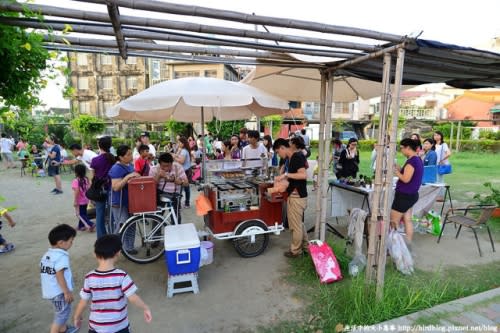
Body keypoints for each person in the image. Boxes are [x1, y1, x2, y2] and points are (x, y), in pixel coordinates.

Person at [73, 234, 152, 332]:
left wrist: (77, 317)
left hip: (96, 326)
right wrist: (145, 307)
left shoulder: (89, 277)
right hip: (119, 326)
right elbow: (133, 298)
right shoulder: (122, 276)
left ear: (95, 253)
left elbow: (83, 302)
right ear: (118, 253)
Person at [40, 224, 78, 333]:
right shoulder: (61, 257)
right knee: (62, 314)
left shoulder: (47, 255)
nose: (72, 243)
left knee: (60, 311)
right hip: (59, 292)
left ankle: (63, 329)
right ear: (61, 242)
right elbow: (59, 274)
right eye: (71, 241)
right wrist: (66, 292)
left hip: (50, 290)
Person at [273, 138, 308, 258]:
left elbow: (303, 175)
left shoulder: (297, 157)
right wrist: (284, 179)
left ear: (283, 148)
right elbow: (294, 177)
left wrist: (286, 175)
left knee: (295, 226)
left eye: (278, 152)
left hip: (297, 197)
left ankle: (296, 251)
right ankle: (305, 247)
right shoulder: (291, 158)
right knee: (299, 224)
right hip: (295, 196)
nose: (279, 155)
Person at [391, 138, 424, 248]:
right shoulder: (417, 159)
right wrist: (400, 169)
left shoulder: (412, 161)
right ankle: (407, 243)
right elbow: (409, 175)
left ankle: (393, 246)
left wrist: (396, 172)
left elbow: (405, 179)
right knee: (407, 220)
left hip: (404, 196)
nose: (401, 151)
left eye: (402, 148)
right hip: (411, 195)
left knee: (393, 222)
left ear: (408, 148)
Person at [109, 145, 140, 238]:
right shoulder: (116, 168)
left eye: (131, 153)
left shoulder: (130, 165)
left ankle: (129, 248)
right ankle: (113, 248)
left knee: (131, 224)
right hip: (119, 202)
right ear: (121, 157)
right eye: (128, 154)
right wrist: (127, 177)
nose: (131, 156)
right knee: (122, 225)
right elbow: (115, 187)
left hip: (130, 201)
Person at [149, 153, 188, 224]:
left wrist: (177, 181)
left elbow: (186, 183)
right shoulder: (154, 169)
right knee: (158, 216)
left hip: (175, 193)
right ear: (159, 163)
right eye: (163, 166)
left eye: (168, 166)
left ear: (172, 163)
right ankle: (156, 233)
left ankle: (176, 232)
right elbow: (151, 186)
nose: (165, 168)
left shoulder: (178, 167)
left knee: (176, 216)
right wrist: (158, 176)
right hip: (160, 192)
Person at [89, 136, 115, 239]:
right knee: (112, 213)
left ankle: (101, 237)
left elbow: (92, 177)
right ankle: (112, 235)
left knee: (99, 214)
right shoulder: (113, 158)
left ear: (99, 146)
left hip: (99, 189)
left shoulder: (95, 160)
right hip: (112, 188)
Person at [72, 164, 95, 232]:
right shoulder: (86, 179)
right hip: (86, 199)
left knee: (79, 214)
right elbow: (89, 188)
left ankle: (90, 224)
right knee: (83, 213)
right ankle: (81, 226)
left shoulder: (76, 181)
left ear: (76, 172)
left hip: (80, 200)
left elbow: (77, 191)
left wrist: (75, 201)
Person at [173, 137, 192, 208]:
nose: (178, 144)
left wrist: (174, 157)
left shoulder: (184, 151)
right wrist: (176, 153)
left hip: (185, 171)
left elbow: (181, 161)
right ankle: (184, 203)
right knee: (184, 187)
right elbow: (177, 156)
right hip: (185, 170)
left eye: (179, 142)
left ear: (183, 143)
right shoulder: (183, 150)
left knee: (183, 187)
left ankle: (183, 204)